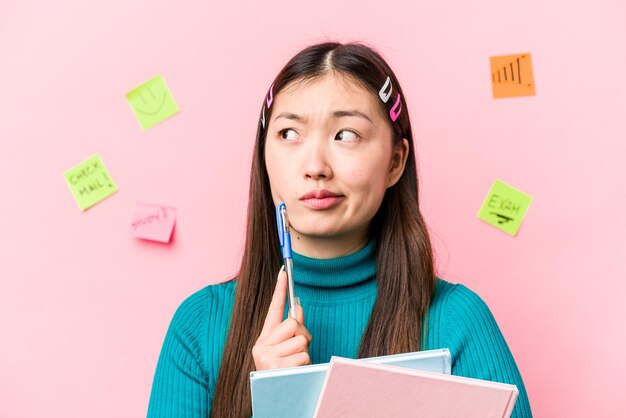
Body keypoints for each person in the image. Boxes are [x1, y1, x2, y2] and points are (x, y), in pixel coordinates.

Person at [147, 41, 532, 418]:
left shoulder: (457, 321)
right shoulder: (199, 325)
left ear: (395, 162)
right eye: (289, 134)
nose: (315, 165)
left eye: (345, 135)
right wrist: (276, 406)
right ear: (263, 157)